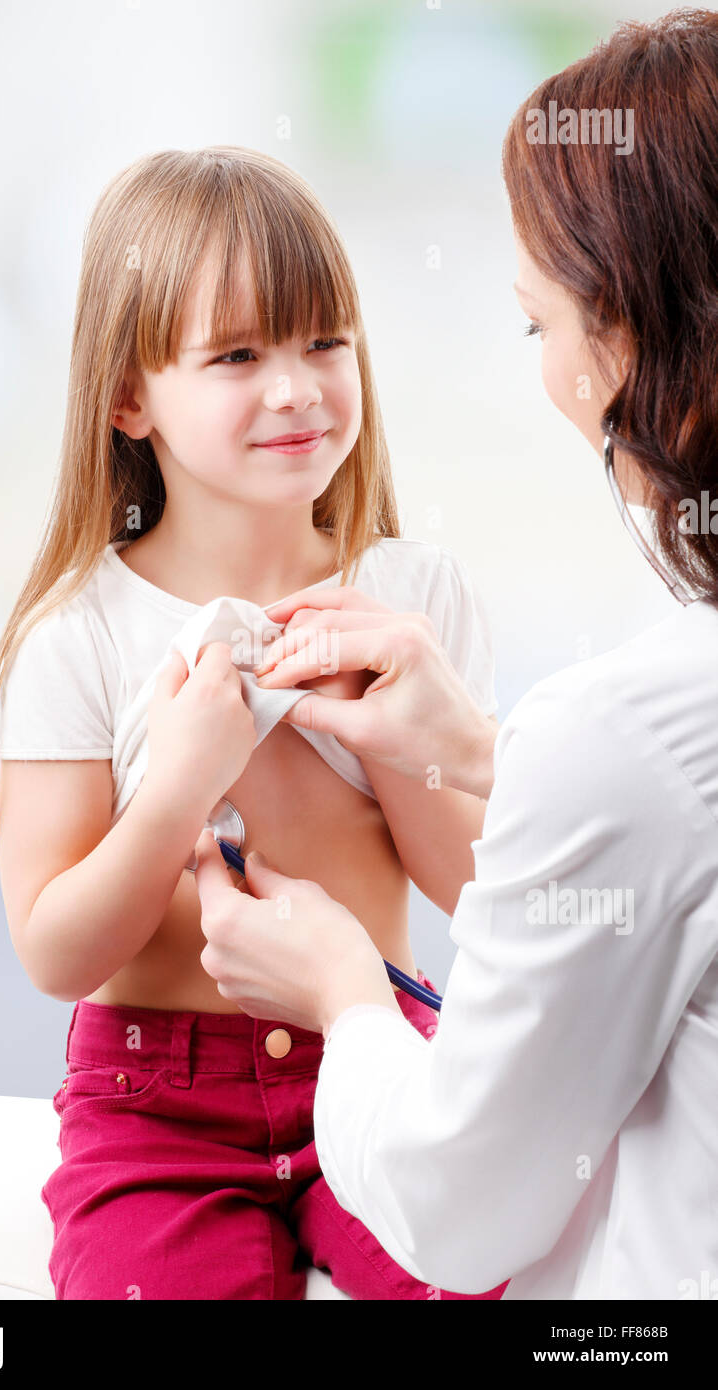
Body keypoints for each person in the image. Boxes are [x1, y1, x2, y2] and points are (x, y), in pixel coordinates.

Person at [192, 11, 718, 1299]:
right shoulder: (624, 741)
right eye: (235, 357)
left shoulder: (618, 732)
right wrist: (482, 754)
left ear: (639, 341)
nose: (297, 393)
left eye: (536, 325)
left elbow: (456, 1203)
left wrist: (339, 992)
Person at [0, 146, 510, 1298]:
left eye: (325, 341)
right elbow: (56, 946)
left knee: (492, 1276)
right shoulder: (78, 635)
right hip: (152, 1107)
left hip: (373, 1048)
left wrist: (394, 735)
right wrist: (176, 785)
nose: (296, 387)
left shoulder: (411, 599)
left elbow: (473, 885)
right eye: (236, 355)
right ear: (129, 397)